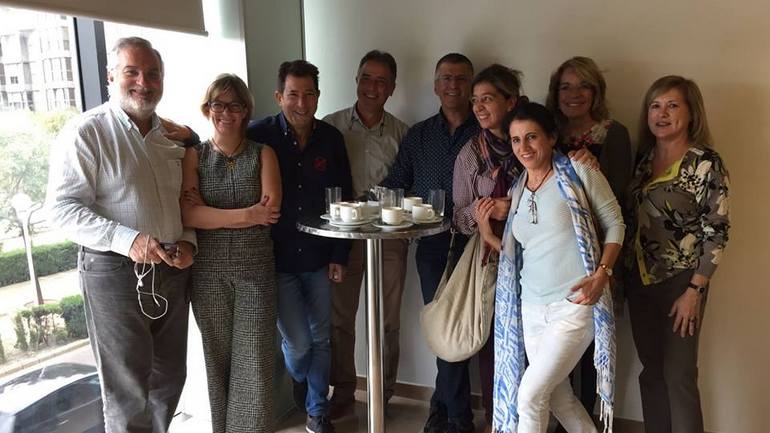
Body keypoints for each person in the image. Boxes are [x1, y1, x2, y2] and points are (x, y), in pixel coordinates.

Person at [45, 37, 195, 433]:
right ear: (110, 76)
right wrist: (127, 239)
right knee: (127, 390)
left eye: (153, 74)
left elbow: (184, 201)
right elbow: (61, 208)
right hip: (114, 273)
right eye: (132, 72)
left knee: (170, 378)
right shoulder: (87, 132)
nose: (143, 82)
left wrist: (188, 241)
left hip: (171, 269)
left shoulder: (172, 137)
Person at [478, 102, 623, 433]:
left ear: (551, 137)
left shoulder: (577, 172)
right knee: (558, 397)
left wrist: (602, 274)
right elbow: (523, 254)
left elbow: (616, 223)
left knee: (529, 396)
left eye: (532, 137)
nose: (524, 147)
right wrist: (488, 235)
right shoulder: (517, 188)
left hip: (574, 305)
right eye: (516, 140)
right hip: (531, 307)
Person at [247, 59, 353, 433]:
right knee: (300, 344)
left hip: (320, 257)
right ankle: (300, 378)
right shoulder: (258, 135)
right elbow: (219, 145)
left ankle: (317, 412)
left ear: (318, 97)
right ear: (279, 97)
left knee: (322, 338)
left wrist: (340, 254)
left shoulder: (331, 139)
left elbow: (344, 199)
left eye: (309, 94)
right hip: (275, 260)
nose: (302, 103)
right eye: (293, 94)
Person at [625, 76, 730, 433]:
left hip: (683, 282)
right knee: (652, 371)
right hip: (640, 279)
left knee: (679, 375)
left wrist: (695, 290)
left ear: (691, 112)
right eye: (655, 106)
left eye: (672, 105)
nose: (662, 113)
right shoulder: (643, 160)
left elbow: (717, 230)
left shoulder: (705, 163)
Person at [381, 53, 479, 433]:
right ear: (436, 86)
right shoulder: (419, 135)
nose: (453, 85)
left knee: (461, 330)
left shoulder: (486, 130)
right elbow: (397, 180)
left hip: (477, 245)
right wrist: (365, 201)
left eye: (461, 78)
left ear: (470, 86)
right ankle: (452, 413)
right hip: (432, 245)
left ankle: (450, 412)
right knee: (443, 328)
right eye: (446, 78)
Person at [180, 74, 281, 433]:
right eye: (218, 104)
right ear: (207, 109)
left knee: (255, 362)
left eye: (234, 105)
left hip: (255, 271)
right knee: (217, 359)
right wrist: (247, 215)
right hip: (208, 273)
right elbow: (189, 216)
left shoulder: (263, 154)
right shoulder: (194, 156)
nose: (226, 112)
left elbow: (270, 211)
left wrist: (213, 215)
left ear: (245, 110)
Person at [545, 56, 633, 431]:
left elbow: (617, 201)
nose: (574, 94)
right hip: (553, 257)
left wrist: (588, 170)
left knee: (588, 348)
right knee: (555, 348)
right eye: (565, 86)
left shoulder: (613, 135)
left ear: (596, 92)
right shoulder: (548, 133)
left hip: (597, 257)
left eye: (583, 86)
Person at [322, 50, 409, 419]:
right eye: (366, 78)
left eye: (381, 81)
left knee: (387, 321)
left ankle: (382, 394)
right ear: (356, 80)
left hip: (389, 241)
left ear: (392, 88)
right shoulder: (331, 127)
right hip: (343, 241)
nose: (372, 87)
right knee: (340, 319)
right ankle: (343, 392)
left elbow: (409, 185)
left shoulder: (403, 133)